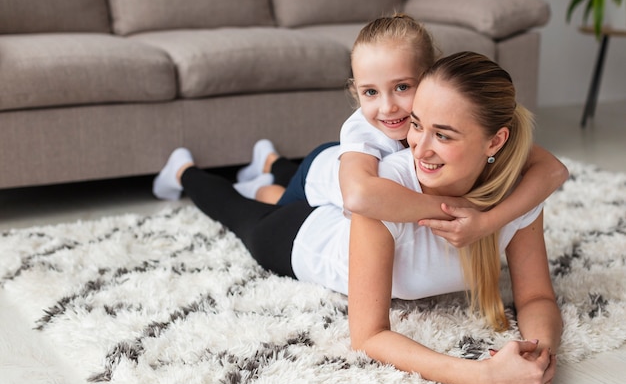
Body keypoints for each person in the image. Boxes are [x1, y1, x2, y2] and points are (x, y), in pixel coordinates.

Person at [152, 51, 562, 384]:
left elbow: (537, 297)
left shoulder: (515, 194)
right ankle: (184, 171)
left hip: (347, 218)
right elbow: (367, 336)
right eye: (416, 124)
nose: (419, 145)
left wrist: (537, 354)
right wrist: (481, 377)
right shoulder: (387, 189)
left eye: (444, 135)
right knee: (238, 210)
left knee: (279, 194)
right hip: (301, 240)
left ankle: (270, 168)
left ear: (496, 141)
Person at [227, 14, 569, 248]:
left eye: (403, 87)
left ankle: (271, 158)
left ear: (431, 76)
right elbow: (358, 197)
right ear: (356, 90)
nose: (388, 107)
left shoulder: (449, 113)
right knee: (276, 203)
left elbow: (553, 170)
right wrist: (461, 207)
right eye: (370, 92)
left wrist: (489, 220)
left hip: (340, 169)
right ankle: (263, 177)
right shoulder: (362, 129)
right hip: (322, 178)